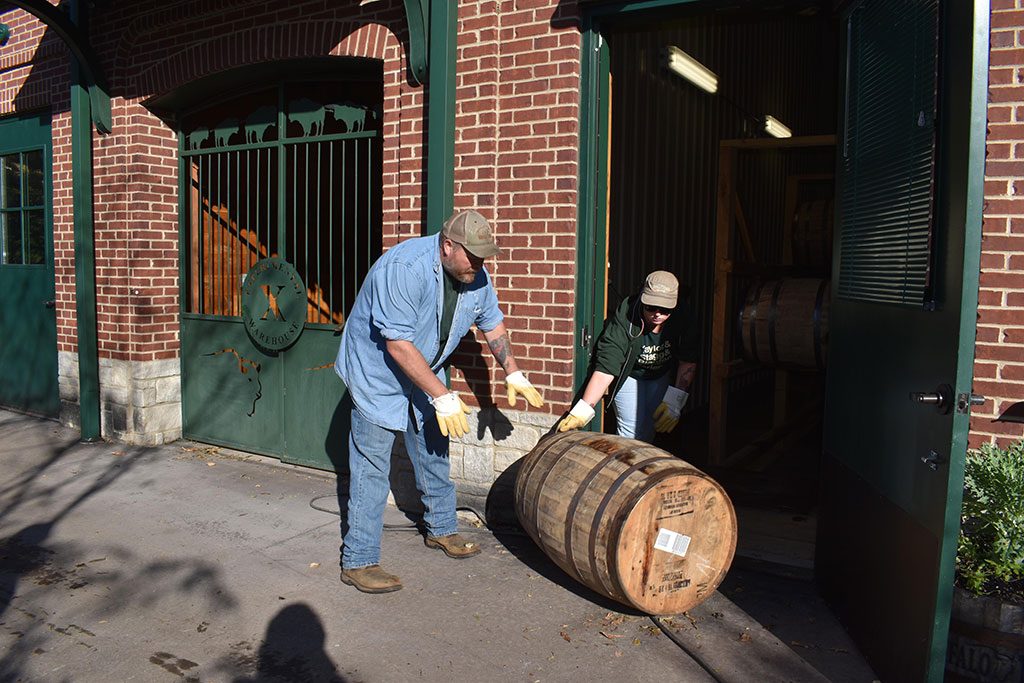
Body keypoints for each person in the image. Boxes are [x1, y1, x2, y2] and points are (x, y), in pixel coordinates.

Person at [333, 208, 544, 593]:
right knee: (371, 465)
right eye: (473, 257)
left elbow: (492, 322)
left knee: (433, 448)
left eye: (484, 258)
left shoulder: (475, 275)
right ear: (448, 246)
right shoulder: (403, 268)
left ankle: (442, 529)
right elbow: (398, 344)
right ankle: (359, 559)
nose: (479, 266)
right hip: (377, 373)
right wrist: (444, 396)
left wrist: (512, 371)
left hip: (426, 367)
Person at [557, 270, 698, 442]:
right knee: (631, 433)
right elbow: (607, 367)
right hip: (630, 375)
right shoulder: (626, 315)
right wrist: (582, 411)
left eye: (665, 309)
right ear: (642, 298)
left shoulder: (684, 316)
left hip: (659, 374)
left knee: (649, 428)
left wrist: (675, 402)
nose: (657, 314)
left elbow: (688, 360)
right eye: (651, 307)